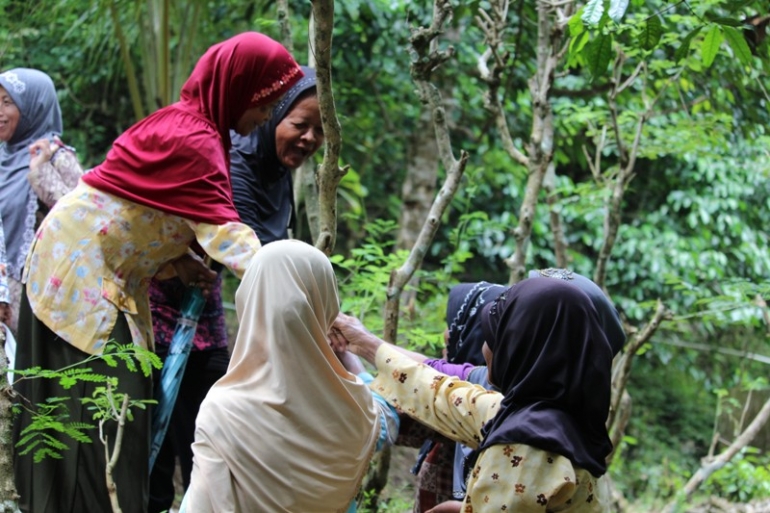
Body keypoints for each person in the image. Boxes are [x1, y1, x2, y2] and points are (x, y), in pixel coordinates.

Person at [12, 33, 303, 513]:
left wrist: (175, 260)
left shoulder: (186, 126)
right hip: (78, 275)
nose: (263, 117)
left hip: (95, 270)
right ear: (240, 88)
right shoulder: (195, 139)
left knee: (107, 411)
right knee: (104, 414)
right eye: (265, 103)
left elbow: (138, 209)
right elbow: (231, 238)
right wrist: (304, 294)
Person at [147, 65, 324, 511]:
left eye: (321, 130)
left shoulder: (276, 171)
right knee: (160, 440)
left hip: (201, 313)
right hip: (160, 315)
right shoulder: (233, 163)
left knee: (203, 438)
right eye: (300, 125)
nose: (309, 139)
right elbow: (256, 259)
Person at [333, 278, 615, 512]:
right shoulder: (554, 416)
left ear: (522, 348)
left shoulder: (528, 446)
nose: (483, 350)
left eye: (495, 337)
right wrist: (363, 343)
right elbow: (442, 393)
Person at [181, 240, 398, 512]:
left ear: (248, 298)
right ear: (327, 303)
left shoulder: (224, 410)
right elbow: (388, 419)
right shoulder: (355, 407)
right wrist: (350, 356)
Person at [0, 68, 84, 337]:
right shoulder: (2, 157)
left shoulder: (55, 156)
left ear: (33, 107)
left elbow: (83, 217)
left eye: (7, 102)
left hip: (43, 302)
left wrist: (40, 172)